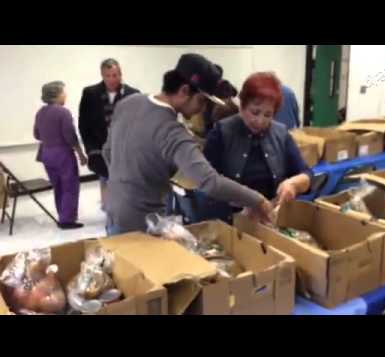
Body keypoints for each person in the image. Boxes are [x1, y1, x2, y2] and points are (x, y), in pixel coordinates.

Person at [102, 54, 274, 235]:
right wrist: (258, 200)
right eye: (202, 101)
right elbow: (210, 183)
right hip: (142, 226)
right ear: (184, 90)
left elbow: (107, 152)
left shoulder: (128, 102)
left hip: (113, 213)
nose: (203, 109)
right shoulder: (172, 132)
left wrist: (129, 181)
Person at [204, 72, 312, 209]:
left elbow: (306, 174)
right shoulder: (221, 133)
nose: (260, 121)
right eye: (255, 112)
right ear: (242, 106)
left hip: (270, 218)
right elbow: (206, 181)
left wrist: (293, 184)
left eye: (268, 115)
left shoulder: (281, 134)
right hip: (231, 220)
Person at [78, 58, 139, 210]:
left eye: (115, 75)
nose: (112, 79)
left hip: (126, 148)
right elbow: (84, 124)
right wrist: (90, 150)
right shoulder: (90, 93)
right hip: (100, 147)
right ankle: (110, 210)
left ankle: (125, 209)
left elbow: (138, 123)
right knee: (106, 178)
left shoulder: (133, 94)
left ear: (120, 74)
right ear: (102, 75)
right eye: (108, 75)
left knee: (126, 182)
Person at [34, 81, 88, 230]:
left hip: (46, 154)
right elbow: (70, 136)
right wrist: (81, 154)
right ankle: (67, 220)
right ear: (56, 95)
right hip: (62, 154)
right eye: (63, 92)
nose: (65, 95)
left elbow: (36, 134)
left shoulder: (40, 112)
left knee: (58, 186)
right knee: (70, 186)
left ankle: (62, 215)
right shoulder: (63, 112)